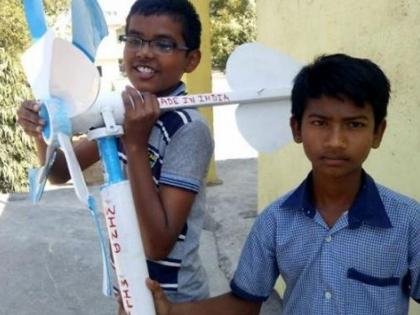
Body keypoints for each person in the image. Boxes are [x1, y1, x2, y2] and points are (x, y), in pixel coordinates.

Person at [146, 53, 420, 315]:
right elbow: (244, 305)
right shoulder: (275, 222)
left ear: (378, 132)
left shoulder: (409, 222)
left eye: (355, 125)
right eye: (320, 122)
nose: (336, 141)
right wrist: (171, 311)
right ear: (297, 129)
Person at [17, 0, 214, 310]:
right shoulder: (124, 110)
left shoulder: (188, 129)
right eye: (134, 39)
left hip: (173, 299)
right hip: (130, 287)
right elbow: (59, 173)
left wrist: (134, 145)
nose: (144, 52)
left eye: (163, 43)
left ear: (191, 60)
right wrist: (44, 131)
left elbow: (158, 245)